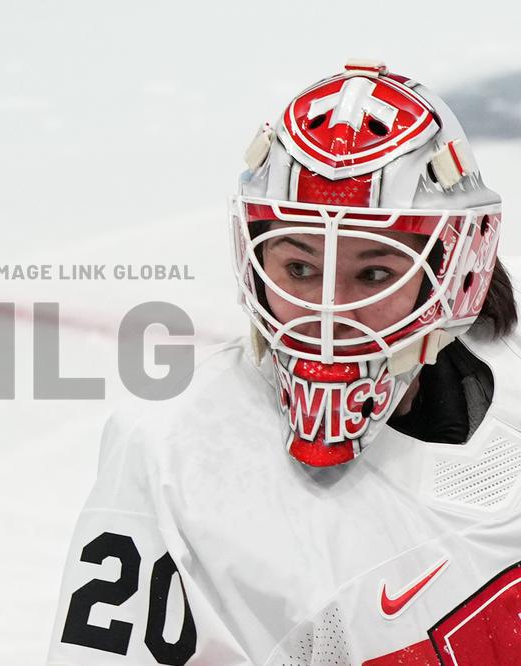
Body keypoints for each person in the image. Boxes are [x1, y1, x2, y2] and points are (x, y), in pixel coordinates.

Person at [46, 60, 521, 665]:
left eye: (373, 273)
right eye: (299, 268)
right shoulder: (181, 454)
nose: (328, 313)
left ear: (455, 272)